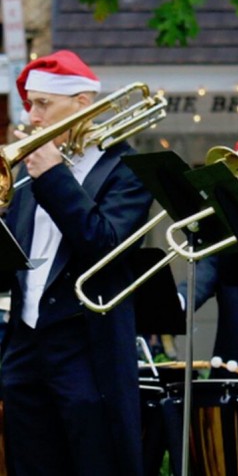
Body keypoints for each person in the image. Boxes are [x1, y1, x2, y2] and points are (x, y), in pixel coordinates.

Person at [0, 51, 152, 475]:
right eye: (30, 104)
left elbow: (103, 244)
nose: (33, 116)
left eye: (44, 104)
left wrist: (53, 176)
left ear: (83, 104)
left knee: (94, 461)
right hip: (26, 346)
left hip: (87, 345)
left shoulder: (127, 170)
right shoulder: (29, 170)